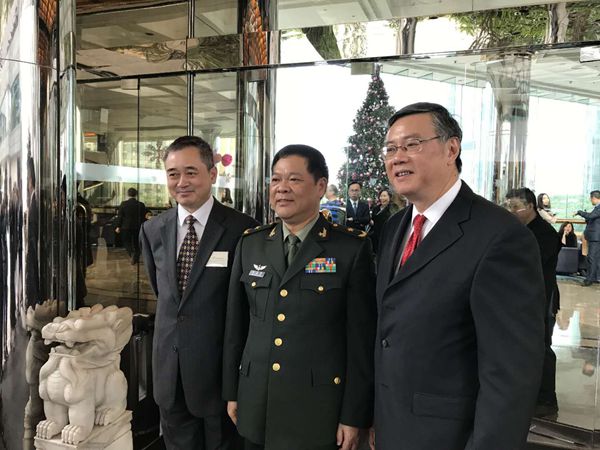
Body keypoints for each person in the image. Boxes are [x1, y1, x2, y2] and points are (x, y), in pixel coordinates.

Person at [373, 102, 545, 450]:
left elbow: (510, 373)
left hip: (450, 437)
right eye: (390, 149)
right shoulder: (395, 227)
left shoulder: (499, 235)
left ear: (451, 149)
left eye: (412, 144)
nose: (397, 157)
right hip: (393, 427)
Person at [223, 144, 376, 450]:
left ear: (320, 186)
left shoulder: (349, 249)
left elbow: (360, 341)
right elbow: (236, 326)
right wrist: (232, 391)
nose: (281, 188)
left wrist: (353, 414)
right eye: (276, 179)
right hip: (257, 401)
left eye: (294, 179)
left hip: (318, 409)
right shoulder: (251, 244)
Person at [140, 136, 258, 450]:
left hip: (222, 379)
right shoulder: (153, 230)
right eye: (173, 174)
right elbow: (166, 296)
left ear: (212, 174)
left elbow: (249, 307)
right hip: (171, 374)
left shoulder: (243, 230)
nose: (181, 182)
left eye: (191, 172)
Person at [505, 187, 561, 418]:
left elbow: (529, 264)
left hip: (542, 297)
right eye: (507, 207)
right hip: (521, 298)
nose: (510, 211)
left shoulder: (545, 233)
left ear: (530, 206)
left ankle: (547, 400)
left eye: (515, 207)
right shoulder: (519, 230)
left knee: (541, 347)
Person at [115, 187, 146, 264]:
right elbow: (143, 216)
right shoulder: (141, 204)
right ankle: (136, 257)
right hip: (138, 226)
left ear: (128, 194)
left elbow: (120, 216)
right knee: (137, 242)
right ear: (136, 194)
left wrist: (118, 226)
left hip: (126, 226)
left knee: (126, 241)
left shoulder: (123, 204)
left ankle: (132, 253)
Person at [576, 190, 600, 287]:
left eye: (591, 198)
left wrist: (580, 212)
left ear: (594, 198)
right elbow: (592, 218)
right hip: (594, 237)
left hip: (596, 237)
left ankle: (589, 279)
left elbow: (591, 216)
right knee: (596, 258)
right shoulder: (597, 208)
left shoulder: (599, 208)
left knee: (592, 258)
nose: (590, 200)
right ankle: (596, 277)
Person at [369, 188, 396, 253]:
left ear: (389, 197)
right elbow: (373, 220)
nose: (382, 198)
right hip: (375, 236)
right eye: (381, 196)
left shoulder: (392, 209)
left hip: (386, 236)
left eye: (384, 196)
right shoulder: (376, 208)